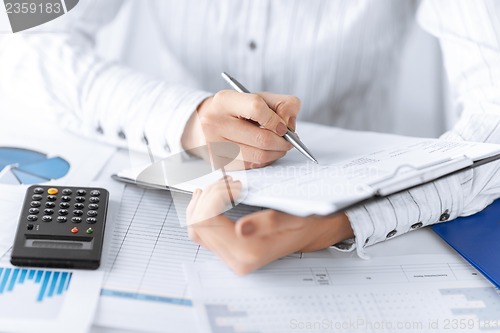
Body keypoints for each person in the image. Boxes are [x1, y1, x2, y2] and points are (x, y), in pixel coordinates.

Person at [2, 0, 500, 275]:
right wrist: (187, 118)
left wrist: (347, 217)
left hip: (368, 185)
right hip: (183, 154)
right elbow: (25, 33)